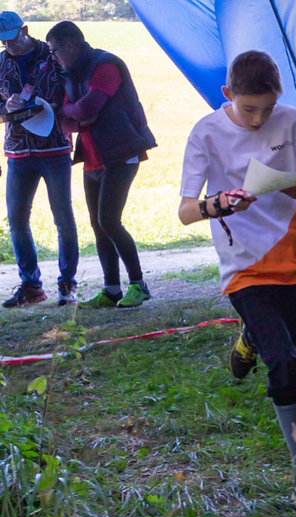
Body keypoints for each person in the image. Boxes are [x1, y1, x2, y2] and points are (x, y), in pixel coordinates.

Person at [178, 50, 296, 507]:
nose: (258, 118)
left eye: (267, 109)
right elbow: (187, 211)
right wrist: (219, 203)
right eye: (249, 109)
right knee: (284, 363)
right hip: (244, 262)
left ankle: (249, 339)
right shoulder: (206, 132)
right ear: (228, 95)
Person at [46, 21, 156, 309]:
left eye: (54, 51)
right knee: (98, 224)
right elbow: (68, 121)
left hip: (121, 151)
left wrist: (74, 112)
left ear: (69, 45)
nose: (54, 58)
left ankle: (138, 284)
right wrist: (73, 113)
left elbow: (86, 109)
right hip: (93, 157)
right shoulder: (73, 73)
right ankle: (111, 290)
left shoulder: (106, 65)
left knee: (109, 220)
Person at [0, 11, 79, 308]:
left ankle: (67, 283)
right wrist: (6, 105)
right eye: (5, 42)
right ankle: (31, 286)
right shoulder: (0, 61)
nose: (11, 46)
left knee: (63, 218)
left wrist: (56, 106)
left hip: (55, 148)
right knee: (17, 221)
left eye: (14, 39)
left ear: (26, 30)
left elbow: (74, 89)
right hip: (18, 151)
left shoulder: (52, 54)